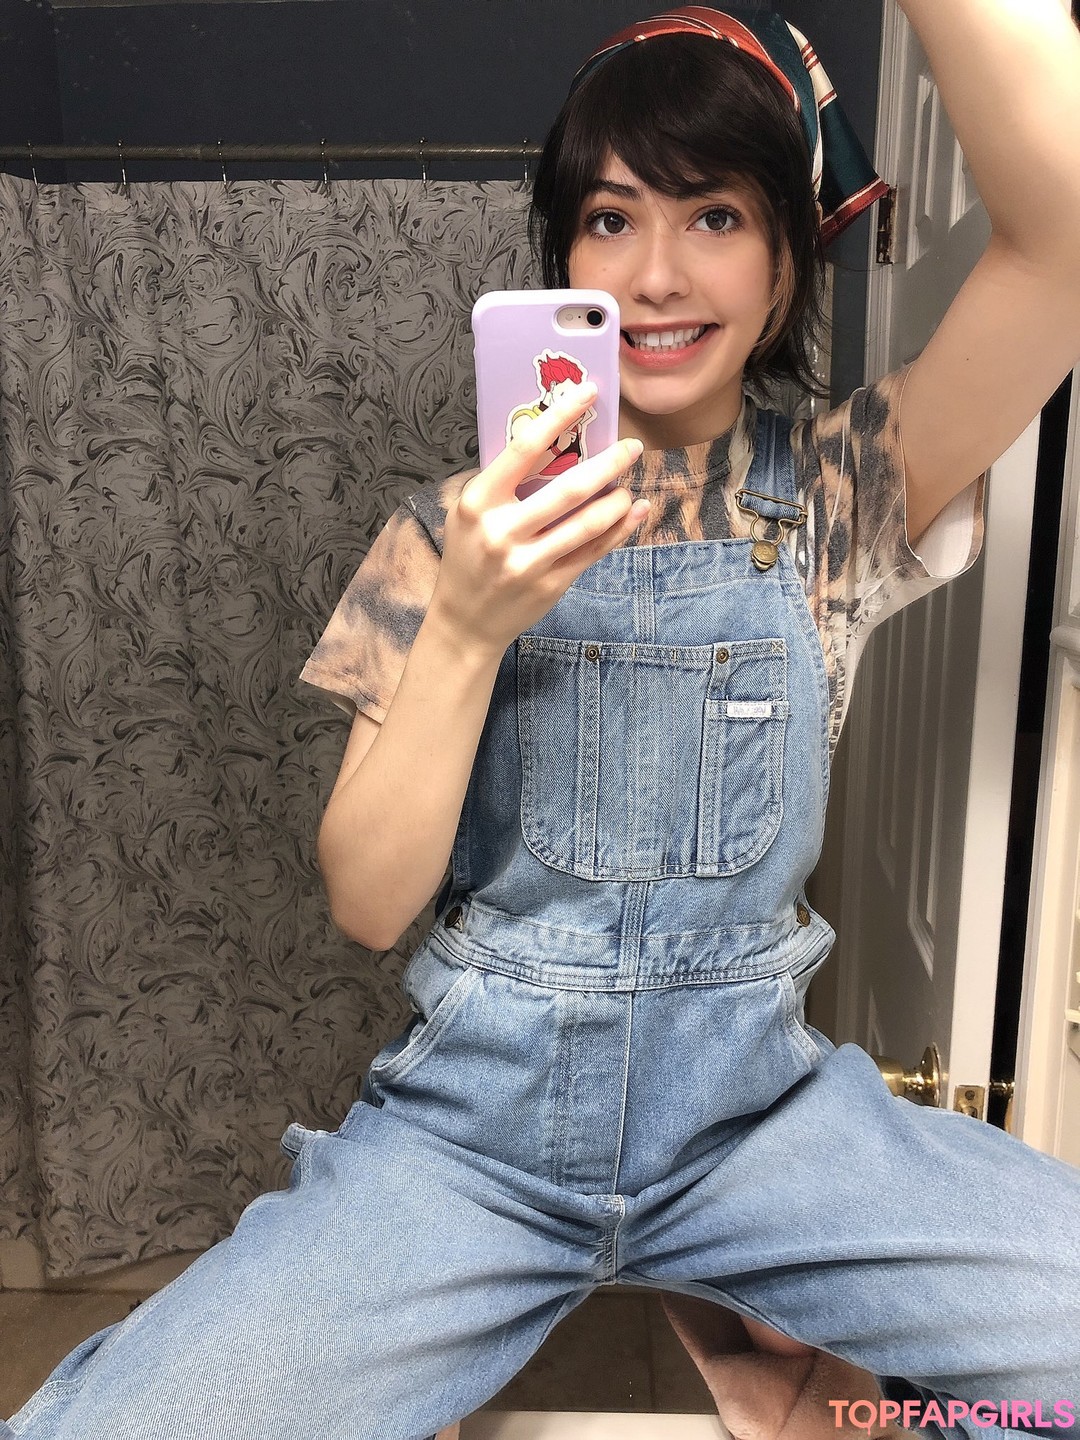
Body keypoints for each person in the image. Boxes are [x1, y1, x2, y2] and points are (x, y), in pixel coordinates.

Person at [6, 4, 1080, 1439]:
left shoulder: (844, 494)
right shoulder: (446, 530)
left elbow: (1061, 239)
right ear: (562, 260)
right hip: (471, 1149)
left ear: (783, 265)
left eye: (714, 216)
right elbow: (366, 901)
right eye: (610, 219)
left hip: (758, 1134)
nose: (656, 275)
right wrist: (465, 622)